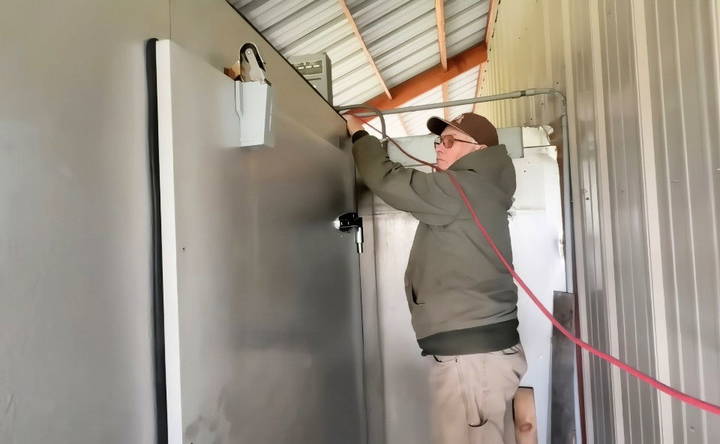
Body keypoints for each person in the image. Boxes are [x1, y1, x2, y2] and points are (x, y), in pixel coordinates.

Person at [346, 112, 527, 444]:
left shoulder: (464, 187)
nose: (439, 149)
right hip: (474, 357)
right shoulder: (478, 186)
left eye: (448, 141)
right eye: (438, 141)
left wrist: (360, 136)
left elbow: (389, 181)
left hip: (473, 361)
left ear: (479, 148)